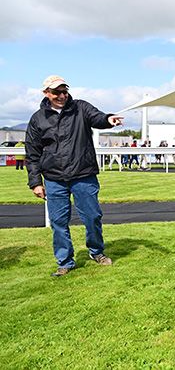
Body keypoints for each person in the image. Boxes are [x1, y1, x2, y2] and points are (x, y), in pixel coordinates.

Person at [25, 75, 123, 277]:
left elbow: (97, 117)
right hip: (54, 179)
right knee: (59, 222)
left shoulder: (81, 107)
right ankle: (65, 262)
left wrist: (108, 119)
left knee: (92, 217)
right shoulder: (37, 118)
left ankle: (97, 252)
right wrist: (36, 182)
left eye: (64, 91)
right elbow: (32, 153)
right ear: (46, 93)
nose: (61, 95)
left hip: (83, 175)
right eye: (56, 92)